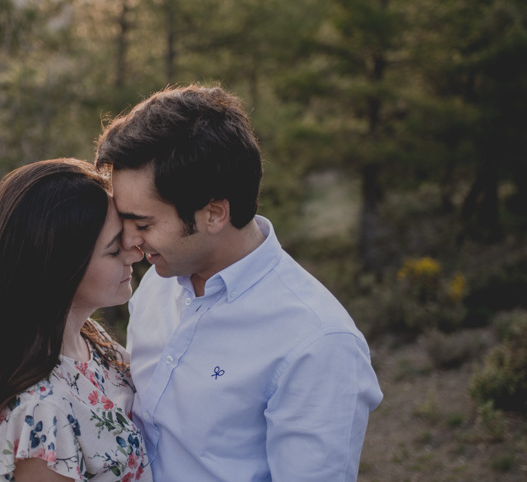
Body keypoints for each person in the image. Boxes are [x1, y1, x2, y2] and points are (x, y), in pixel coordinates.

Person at [95, 85, 383, 482]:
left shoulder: (318, 342)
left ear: (214, 213)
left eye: (144, 223)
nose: (128, 240)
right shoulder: (157, 285)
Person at [0, 158, 152, 482]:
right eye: (112, 249)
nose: (135, 253)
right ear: (60, 268)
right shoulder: (39, 412)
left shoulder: (93, 343)